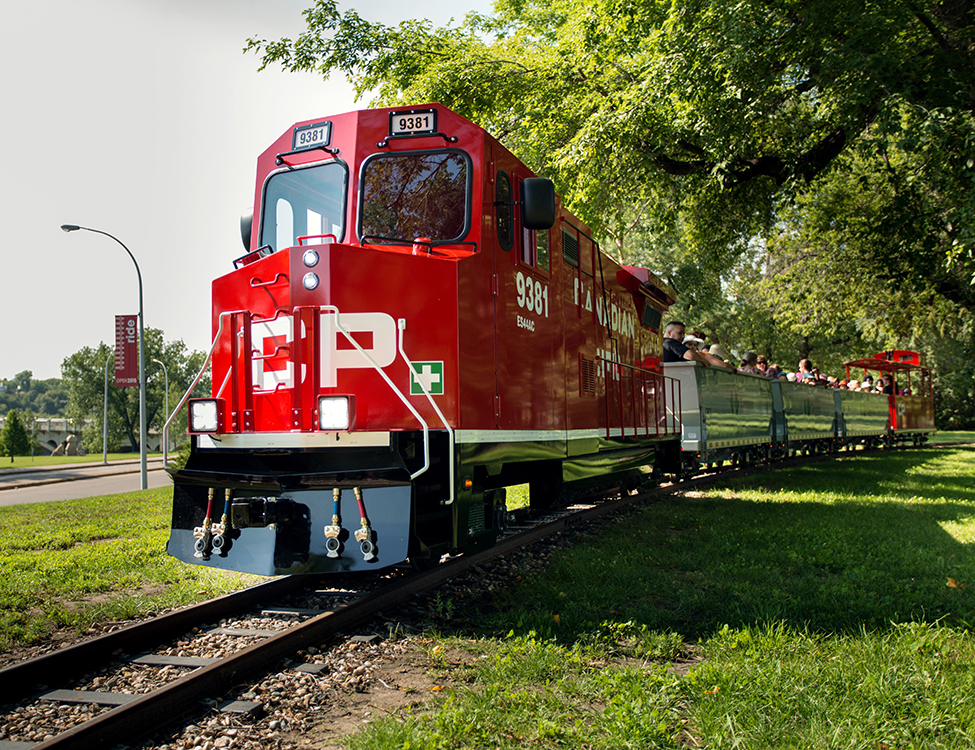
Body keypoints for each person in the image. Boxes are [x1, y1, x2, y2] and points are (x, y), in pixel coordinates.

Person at [663, 321, 733, 368]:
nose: (682, 336)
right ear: (669, 333)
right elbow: (690, 355)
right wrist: (704, 360)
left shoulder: (659, 343)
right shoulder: (670, 342)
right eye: (680, 333)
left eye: (683, 334)